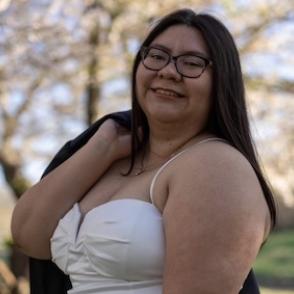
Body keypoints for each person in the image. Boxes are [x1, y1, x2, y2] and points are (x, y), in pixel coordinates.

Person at [11, 8, 276, 294]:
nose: (168, 71)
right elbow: (29, 236)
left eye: (191, 63)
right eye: (157, 56)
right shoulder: (111, 157)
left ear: (222, 81)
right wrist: (103, 147)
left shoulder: (217, 167)